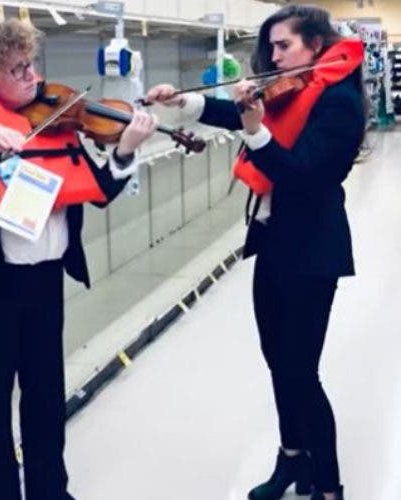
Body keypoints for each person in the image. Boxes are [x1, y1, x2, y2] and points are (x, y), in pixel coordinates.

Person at [0, 20, 157, 500]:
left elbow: (100, 189)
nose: (32, 76)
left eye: (31, 65)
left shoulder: (61, 118)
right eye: (17, 69)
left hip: (46, 279)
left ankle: (51, 488)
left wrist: (126, 150)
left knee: (45, 392)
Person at [144, 6, 364, 500]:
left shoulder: (339, 101)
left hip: (311, 253)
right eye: (271, 48)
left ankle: (328, 485)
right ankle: (292, 462)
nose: (273, 56)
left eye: (283, 46)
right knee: (277, 362)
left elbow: (304, 174)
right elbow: (240, 112)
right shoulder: (297, 87)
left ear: (315, 43)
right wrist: (183, 103)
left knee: (300, 373)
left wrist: (255, 130)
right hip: (274, 245)